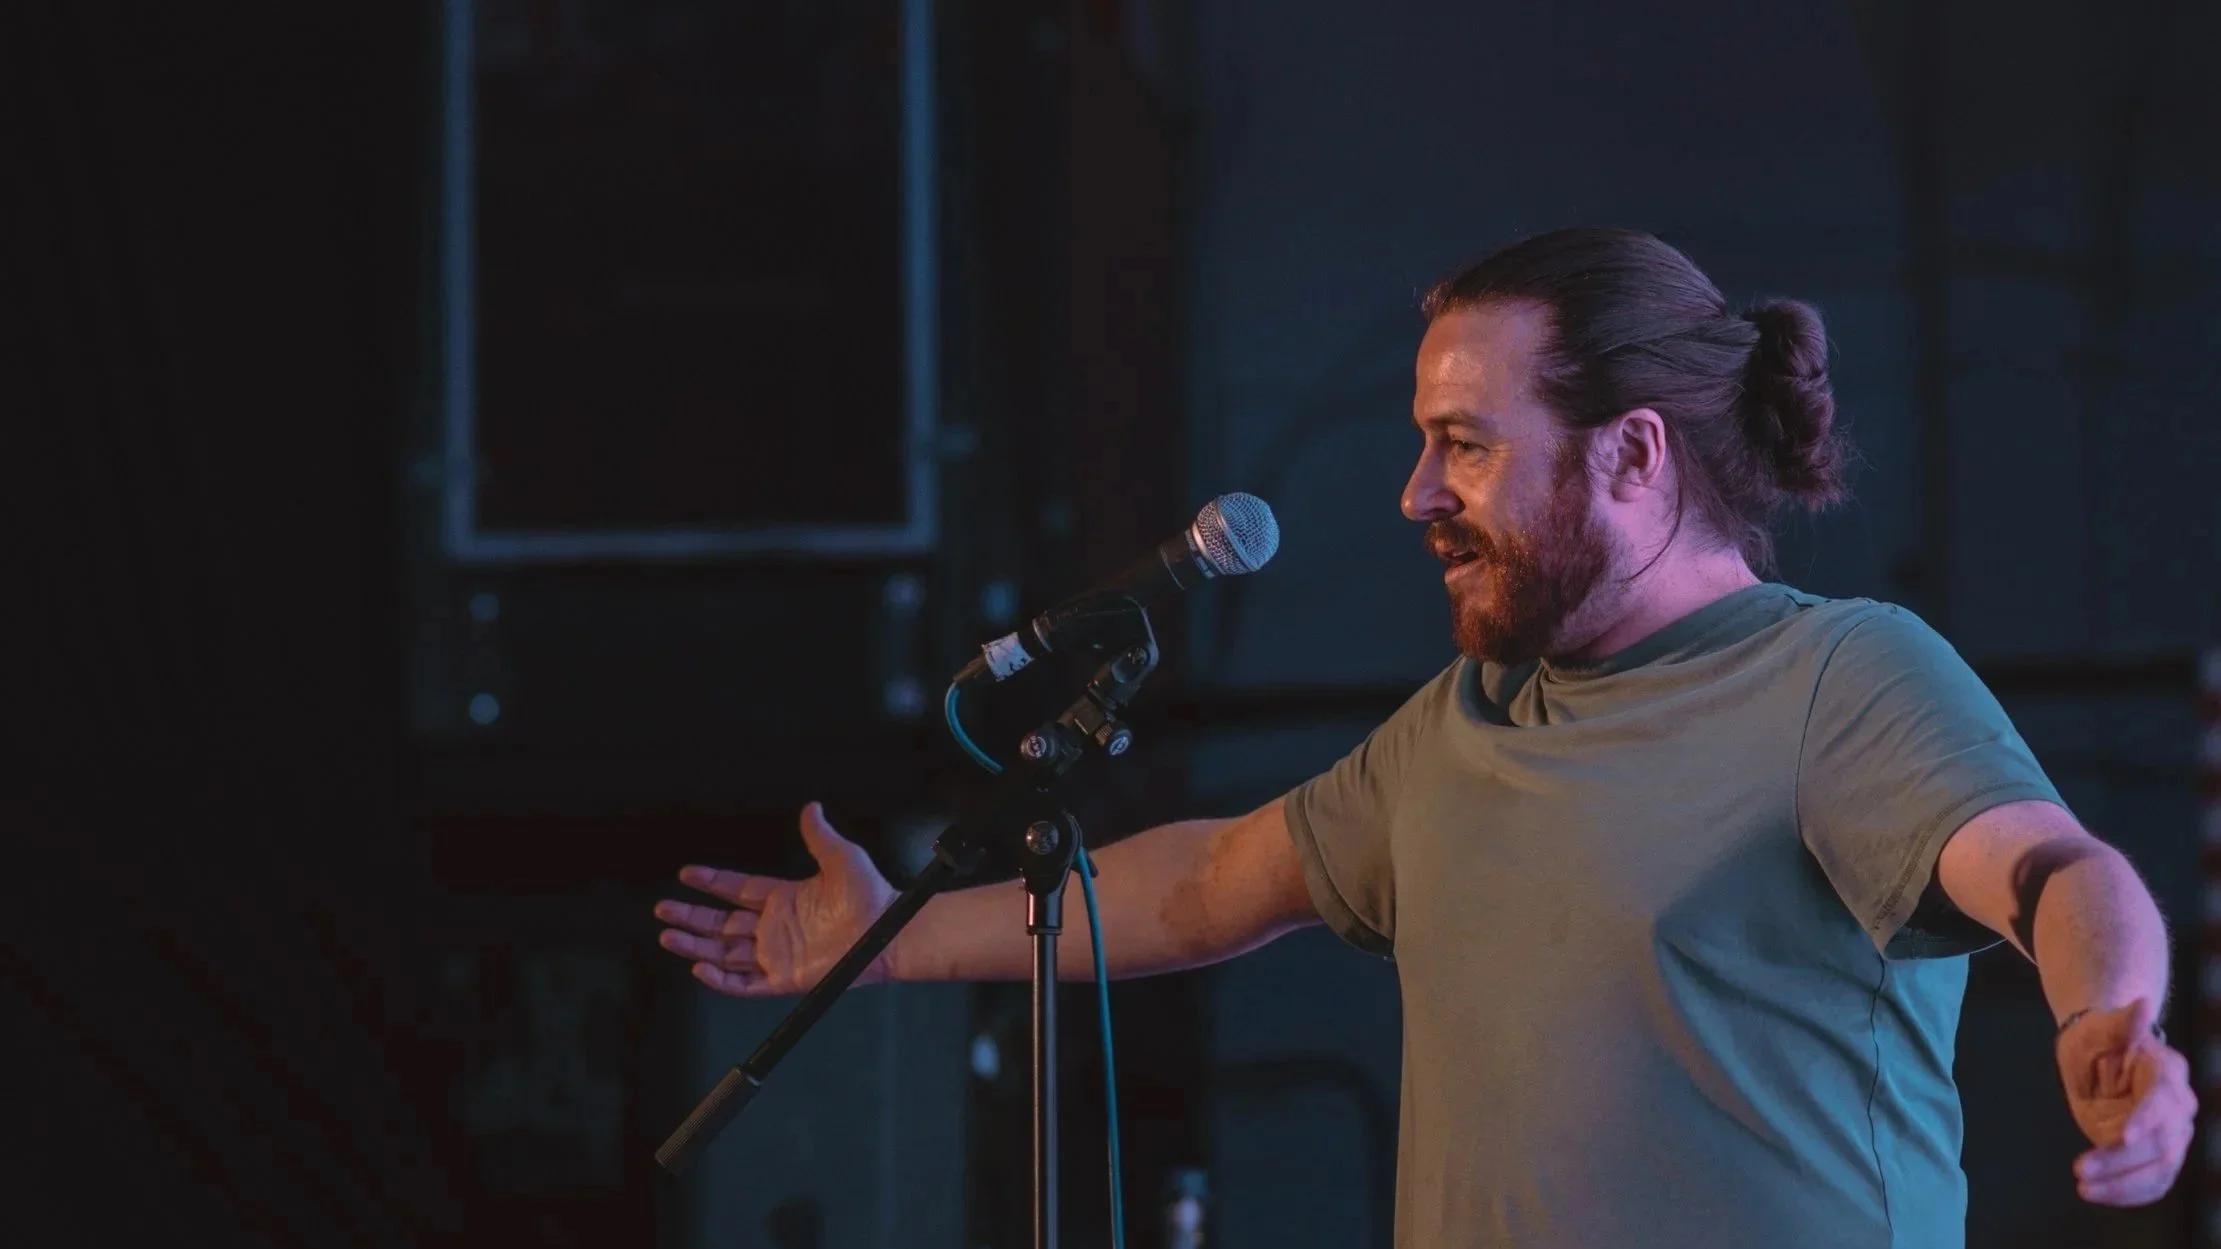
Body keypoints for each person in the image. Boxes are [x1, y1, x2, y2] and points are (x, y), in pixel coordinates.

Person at [654, 228, 2193, 1248]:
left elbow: (2057, 872)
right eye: (1421, 443)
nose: (1414, 494)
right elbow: (1209, 882)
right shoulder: (1460, 726)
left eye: (1464, 445)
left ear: (1631, 455)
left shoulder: (1838, 677)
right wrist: (885, 940)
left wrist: (2104, 1018)